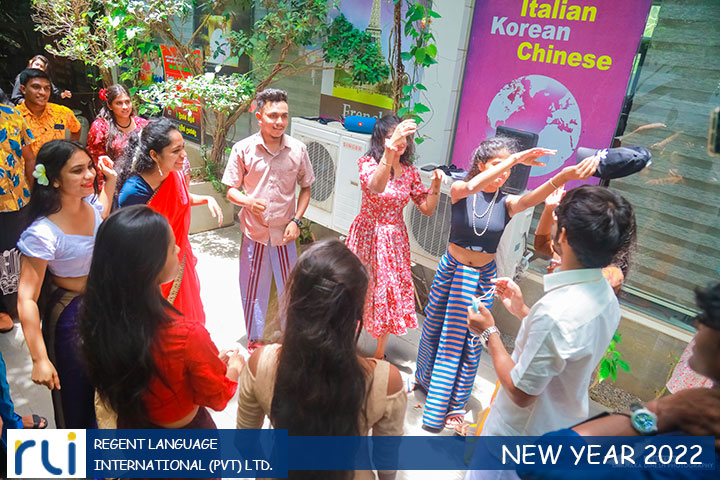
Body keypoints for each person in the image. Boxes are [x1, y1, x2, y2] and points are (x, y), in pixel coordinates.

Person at [414, 137, 599, 431]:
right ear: (480, 165)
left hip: (482, 278)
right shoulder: (461, 189)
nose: (504, 173)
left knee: (471, 340)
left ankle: (455, 404)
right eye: (496, 165)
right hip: (450, 271)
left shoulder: (508, 203)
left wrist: (565, 175)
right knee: (434, 328)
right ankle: (425, 381)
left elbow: (535, 197)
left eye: (508, 168)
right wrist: (515, 159)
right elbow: (471, 187)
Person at [464, 186, 635, 465]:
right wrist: (522, 311)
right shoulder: (606, 296)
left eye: (557, 218)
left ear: (563, 235)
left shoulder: (555, 311)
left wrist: (489, 332)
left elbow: (520, 392)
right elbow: (564, 346)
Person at [508, 281, 720, 480]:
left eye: (708, 318)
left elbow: (540, 462)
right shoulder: (701, 415)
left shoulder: (697, 457)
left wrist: (659, 410)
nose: (697, 324)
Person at [236, 239, 407, 480]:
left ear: (295, 301)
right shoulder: (386, 381)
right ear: (356, 312)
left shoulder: (260, 363)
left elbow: (245, 443)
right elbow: (386, 466)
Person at [80, 205, 243, 433]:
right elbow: (217, 396)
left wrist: (206, 361)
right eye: (171, 246)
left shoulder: (100, 319)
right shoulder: (186, 335)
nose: (178, 248)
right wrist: (234, 368)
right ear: (150, 264)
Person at [16, 139, 116, 429]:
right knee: (78, 398)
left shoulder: (90, 207)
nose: (89, 175)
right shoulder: (43, 233)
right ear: (55, 180)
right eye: (77, 170)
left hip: (102, 308)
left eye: (89, 167)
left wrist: (110, 181)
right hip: (70, 318)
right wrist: (39, 358)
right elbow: (26, 298)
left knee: (109, 390)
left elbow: (102, 211)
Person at [222, 89, 315, 352]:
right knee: (253, 287)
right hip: (255, 233)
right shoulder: (243, 149)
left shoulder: (298, 149)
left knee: (290, 287)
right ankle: (256, 338)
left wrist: (296, 221)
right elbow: (230, 190)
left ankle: (288, 337)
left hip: (286, 233)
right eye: (273, 115)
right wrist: (248, 201)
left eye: (284, 116)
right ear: (259, 116)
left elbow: (306, 188)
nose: (279, 121)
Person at [345, 115, 444, 360]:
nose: (400, 141)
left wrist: (436, 187)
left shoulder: (410, 172)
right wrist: (389, 153)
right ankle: (345, 346)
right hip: (367, 234)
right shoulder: (368, 163)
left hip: (394, 241)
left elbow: (426, 208)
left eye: (404, 137)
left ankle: (379, 353)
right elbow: (376, 187)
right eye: (392, 136)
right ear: (380, 139)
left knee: (389, 292)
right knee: (356, 288)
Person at [116, 117, 222, 324]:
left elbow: (181, 198)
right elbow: (128, 243)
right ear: (154, 155)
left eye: (183, 148)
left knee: (189, 321)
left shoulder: (175, 174)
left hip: (180, 260)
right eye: (176, 151)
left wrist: (206, 199)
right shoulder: (134, 192)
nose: (184, 155)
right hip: (153, 271)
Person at [533, 185, 628, 293]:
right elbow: (541, 244)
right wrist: (549, 209)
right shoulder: (567, 250)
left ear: (564, 234)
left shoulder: (609, 275)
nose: (555, 218)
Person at [86, 84, 148, 188]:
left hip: (140, 183)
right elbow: (97, 163)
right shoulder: (101, 127)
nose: (125, 107)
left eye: (127, 102)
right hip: (112, 184)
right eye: (119, 103)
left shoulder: (142, 124)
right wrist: (106, 191)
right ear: (110, 106)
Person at [15, 69, 81, 155]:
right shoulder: (14, 117)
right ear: (23, 89)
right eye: (36, 87)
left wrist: (69, 152)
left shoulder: (62, 112)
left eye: (47, 88)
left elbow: (76, 129)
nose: (43, 92)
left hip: (56, 162)